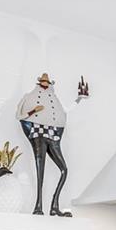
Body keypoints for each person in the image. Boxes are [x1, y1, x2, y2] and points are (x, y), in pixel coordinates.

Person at [17, 73, 73, 216]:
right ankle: (38, 206)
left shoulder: (53, 97)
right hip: (38, 132)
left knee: (64, 169)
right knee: (40, 169)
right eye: (43, 81)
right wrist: (34, 110)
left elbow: (64, 112)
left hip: (53, 134)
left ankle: (54, 206)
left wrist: (78, 99)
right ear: (40, 82)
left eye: (47, 82)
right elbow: (19, 115)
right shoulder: (30, 96)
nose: (45, 84)